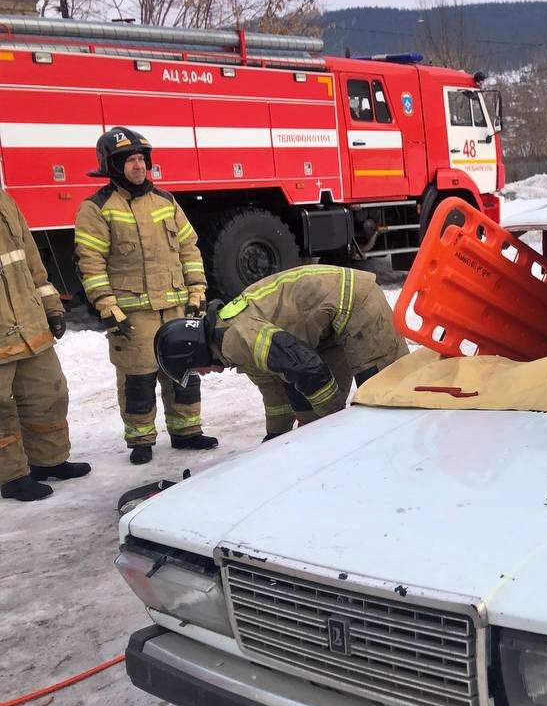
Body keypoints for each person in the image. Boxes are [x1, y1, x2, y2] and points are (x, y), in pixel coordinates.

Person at [74, 127, 218, 465]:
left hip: (175, 309)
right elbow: (90, 263)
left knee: (184, 371)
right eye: (130, 160)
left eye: (141, 159)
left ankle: (187, 432)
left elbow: (189, 249)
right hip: (131, 315)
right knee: (137, 378)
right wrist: (107, 306)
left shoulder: (166, 202)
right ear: (112, 166)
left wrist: (196, 291)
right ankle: (141, 440)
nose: (139, 166)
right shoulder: (96, 208)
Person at [153, 265, 409, 439]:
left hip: (355, 301)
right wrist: (275, 439)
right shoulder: (226, 342)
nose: (203, 374)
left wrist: (333, 423)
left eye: (195, 370)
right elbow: (274, 394)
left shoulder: (235, 339)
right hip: (324, 328)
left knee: (386, 400)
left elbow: (307, 369)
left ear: (193, 353)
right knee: (311, 418)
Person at [1, 190, 91, 502]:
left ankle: (48, 461)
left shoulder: (5, 201)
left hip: (29, 322)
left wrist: (51, 306)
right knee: (1, 409)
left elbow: (31, 261)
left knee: (48, 393)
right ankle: (11, 476)